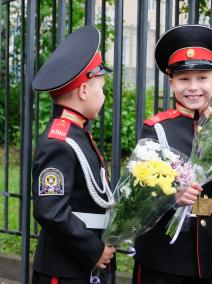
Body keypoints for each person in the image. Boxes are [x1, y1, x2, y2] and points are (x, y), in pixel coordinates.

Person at [132, 24, 212, 284]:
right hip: (162, 259)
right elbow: (139, 193)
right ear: (171, 81)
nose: (193, 87)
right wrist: (172, 195)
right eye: (184, 79)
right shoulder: (157, 129)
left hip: (206, 259)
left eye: (202, 78)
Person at [31, 25, 116, 283]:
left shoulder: (76, 133)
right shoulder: (59, 142)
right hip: (64, 270)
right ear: (83, 91)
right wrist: (94, 250)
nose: (103, 95)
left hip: (78, 267)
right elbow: (51, 212)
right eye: (100, 88)